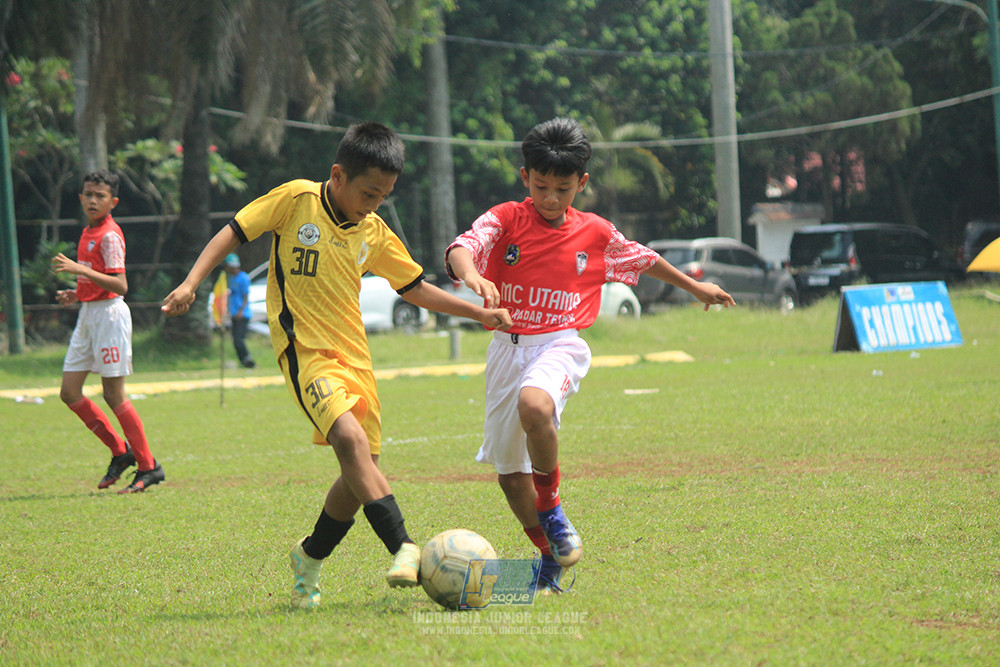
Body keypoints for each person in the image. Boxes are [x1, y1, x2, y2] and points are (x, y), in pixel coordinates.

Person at [161, 122, 513, 609]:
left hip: (356, 359)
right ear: (338, 176)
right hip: (305, 352)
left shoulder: (374, 231)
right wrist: (190, 283)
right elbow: (234, 232)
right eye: (369, 193)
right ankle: (404, 545)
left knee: (359, 471)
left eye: (384, 196)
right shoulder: (296, 200)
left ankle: (309, 557)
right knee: (349, 442)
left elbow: (414, 288)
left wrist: (478, 314)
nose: (374, 204)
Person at [445, 117, 735, 593]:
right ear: (525, 178)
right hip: (505, 351)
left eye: (562, 189)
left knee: (535, 405)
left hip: (560, 343)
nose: (551, 198)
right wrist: (472, 275)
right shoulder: (506, 219)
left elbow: (643, 258)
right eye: (541, 186)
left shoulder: (595, 232)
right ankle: (549, 557)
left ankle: (553, 507)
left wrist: (695, 286)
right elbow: (463, 247)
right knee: (510, 478)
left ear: (581, 183)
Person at [53, 169, 166, 494]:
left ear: (112, 202)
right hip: (89, 314)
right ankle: (120, 451)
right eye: (88, 195)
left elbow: (120, 284)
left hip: (110, 317)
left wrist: (79, 270)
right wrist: (77, 292)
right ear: (81, 198)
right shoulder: (87, 232)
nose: (93, 200)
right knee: (69, 392)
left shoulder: (109, 235)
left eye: (100, 196)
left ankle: (149, 467)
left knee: (114, 394)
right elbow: (97, 277)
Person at [223, 253, 256, 368]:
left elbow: (246, 295)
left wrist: (241, 311)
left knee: (238, 339)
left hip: (242, 314)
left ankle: (248, 360)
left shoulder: (243, 278)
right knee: (235, 339)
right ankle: (244, 362)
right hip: (234, 313)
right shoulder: (230, 278)